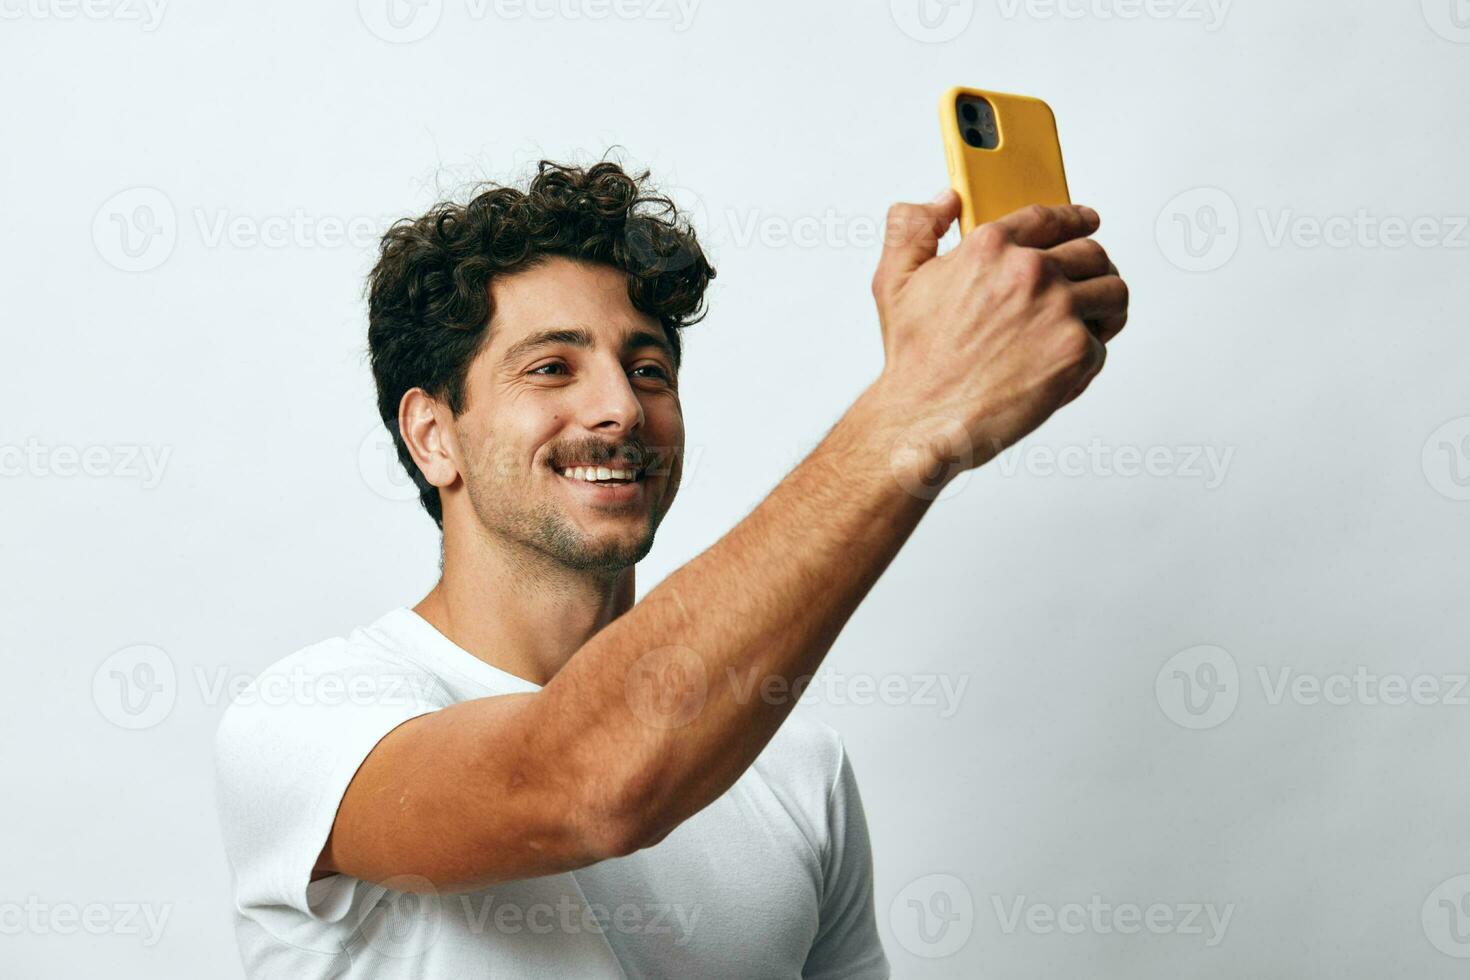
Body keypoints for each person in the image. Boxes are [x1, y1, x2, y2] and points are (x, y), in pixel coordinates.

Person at [213, 158, 1128, 978]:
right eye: (551, 369)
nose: (620, 407)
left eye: (648, 369)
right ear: (433, 435)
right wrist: (915, 415)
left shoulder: (795, 761)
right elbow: (581, 782)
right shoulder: (311, 718)